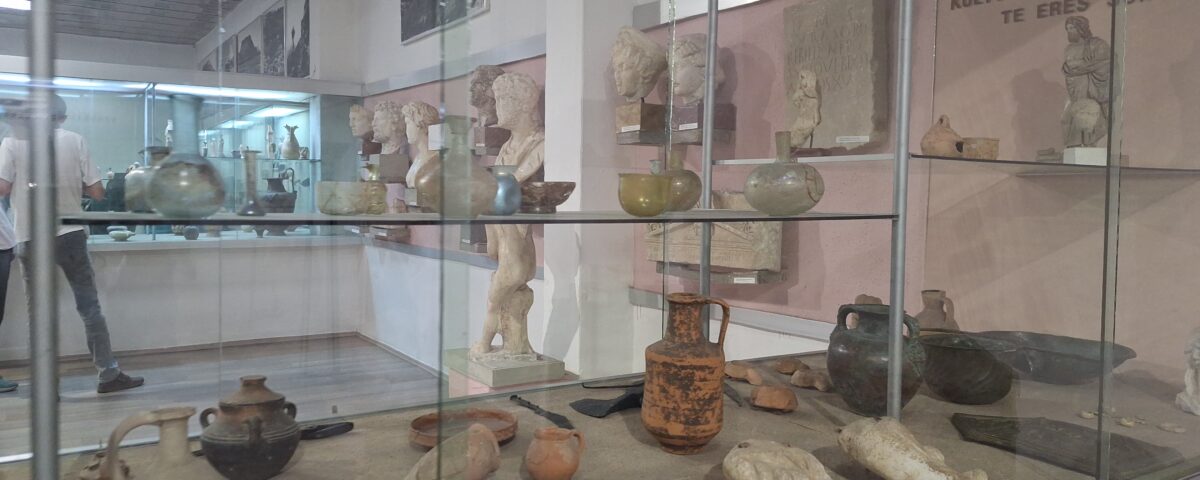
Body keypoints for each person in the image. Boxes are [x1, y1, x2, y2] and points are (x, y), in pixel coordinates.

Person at [0, 95, 143, 394]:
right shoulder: (75, 140)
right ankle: (108, 373)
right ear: (62, 117)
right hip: (70, 234)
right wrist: (70, 184)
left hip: (29, 235)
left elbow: (3, 187)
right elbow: (98, 192)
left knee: (38, 314)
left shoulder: (12, 142)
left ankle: (45, 384)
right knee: (89, 307)